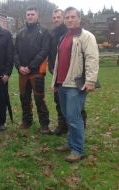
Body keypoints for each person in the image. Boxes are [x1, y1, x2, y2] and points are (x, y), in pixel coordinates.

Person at [51, 7, 99, 162]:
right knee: (67, 117)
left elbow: (92, 59)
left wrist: (90, 81)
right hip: (63, 83)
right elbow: (58, 62)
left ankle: (78, 150)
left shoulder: (86, 37)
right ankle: (71, 143)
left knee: (74, 117)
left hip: (75, 84)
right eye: (67, 17)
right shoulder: (64, 37)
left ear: (79, 18)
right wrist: (55, 82)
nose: (69, 20)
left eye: (73, 17)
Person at [48, 9, 87, 135]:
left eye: (59, 17)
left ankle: (79, 132)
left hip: (73, 78)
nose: (56, 20)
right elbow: (52, 54)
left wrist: (90, 80)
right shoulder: (55, 35)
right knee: (60, 105)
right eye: (54, 18)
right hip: (58, 77)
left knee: (76, 109)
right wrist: (52, 69)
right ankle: (63, 127)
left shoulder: (76, 34)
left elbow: (88, 58)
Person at [14, 5, 51, 134]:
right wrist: (19, 67)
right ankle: (27, 121)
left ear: (37, 15)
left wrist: (31, 67)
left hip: (37, 72)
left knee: (39, 98)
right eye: (28, 14)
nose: (30, 16)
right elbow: (15, 51)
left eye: (32, 14)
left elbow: (44, 50)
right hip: (22, 72)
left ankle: (44, 124)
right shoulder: (21, 32)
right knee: (24, 97)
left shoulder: (44, 31)